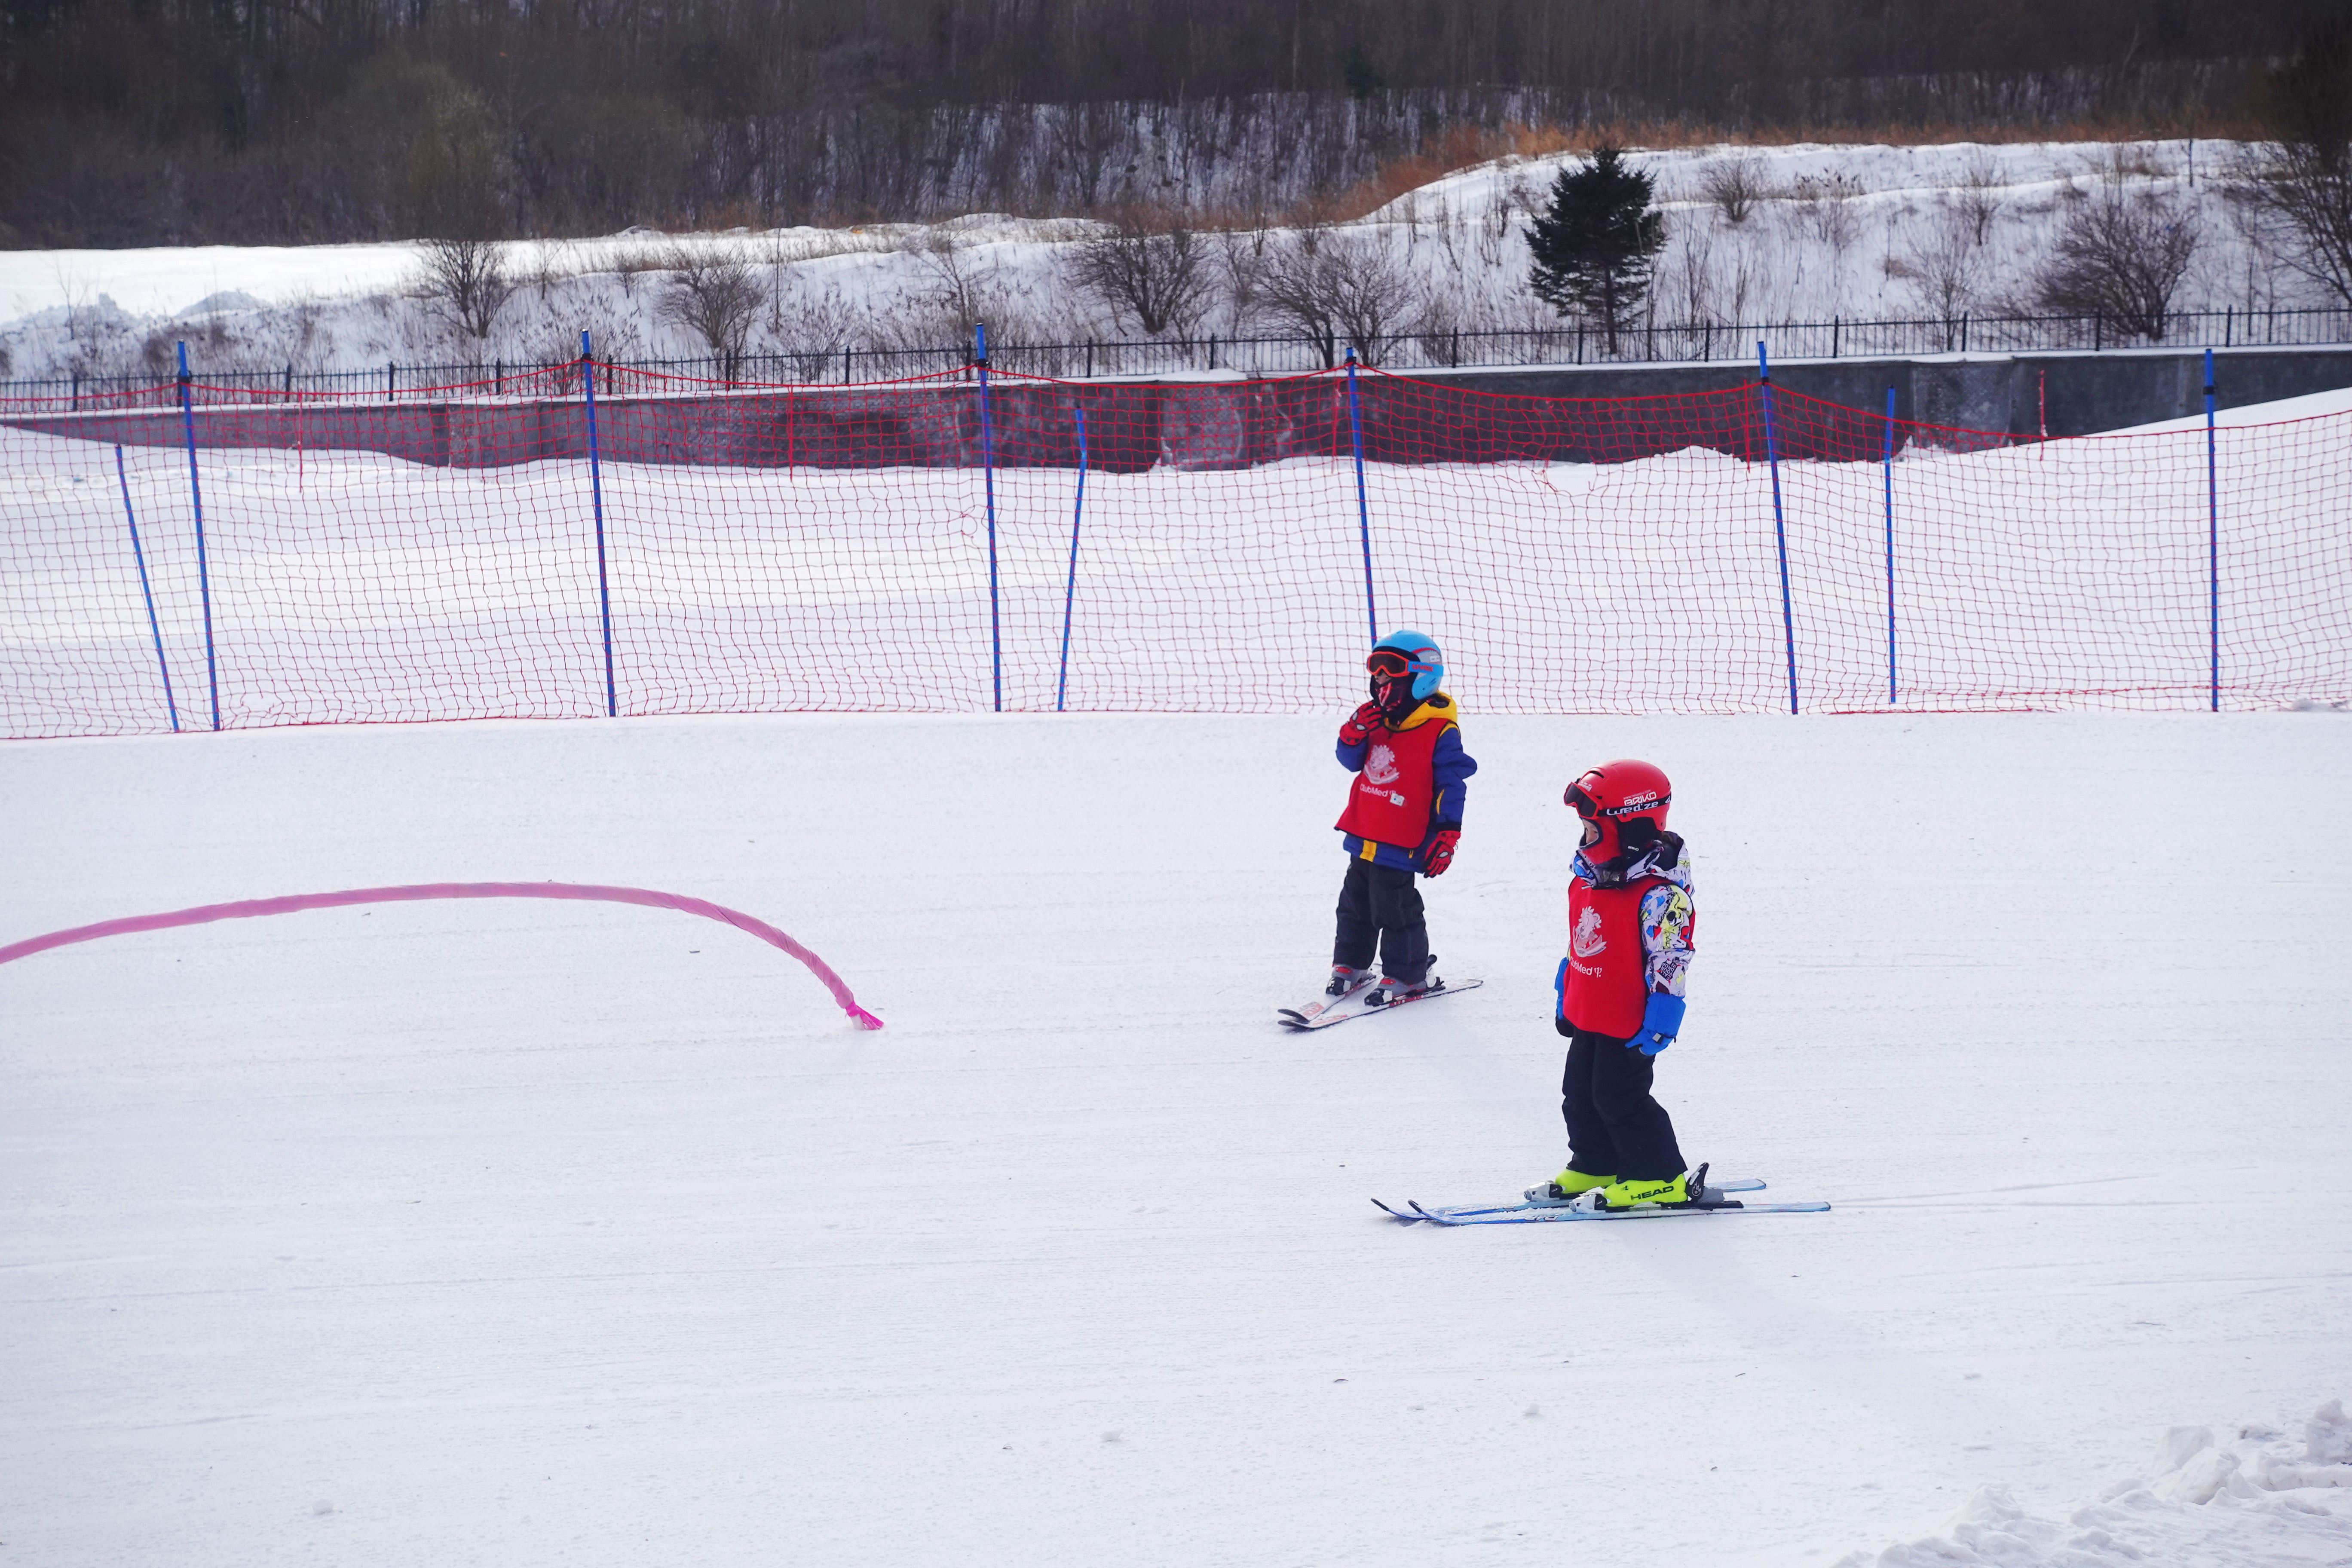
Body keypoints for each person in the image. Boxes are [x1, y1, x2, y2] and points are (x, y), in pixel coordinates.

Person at [1528, 759, 1699, 1209]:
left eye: (1592, 830)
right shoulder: (1588, 881)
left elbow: (1670, 959)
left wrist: (1664, 1016)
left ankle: (1658, 1177)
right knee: (1579, 1092)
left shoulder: (1660, 895)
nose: (1585, 841)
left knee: (1619, 1096)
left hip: (1630, 1018)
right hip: (1592, 1008)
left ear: (1630, 828)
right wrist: (1567, 990)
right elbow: (1580, 943)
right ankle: (1596, 1162)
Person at [1326, 630, 1477, 1007]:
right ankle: (1351, 963)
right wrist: (1354, 732)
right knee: (1354, 902)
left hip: (1403, 836)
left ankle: (1409, 973)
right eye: (1374, 670)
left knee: (1393, 905)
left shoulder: (1439, 729)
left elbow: (1451, 784)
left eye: (1389, 669)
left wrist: (1448, 833)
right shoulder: (1376, 719)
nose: (1379, 679)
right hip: (1366, 829)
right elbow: (1350, 763)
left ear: (1422, 675)